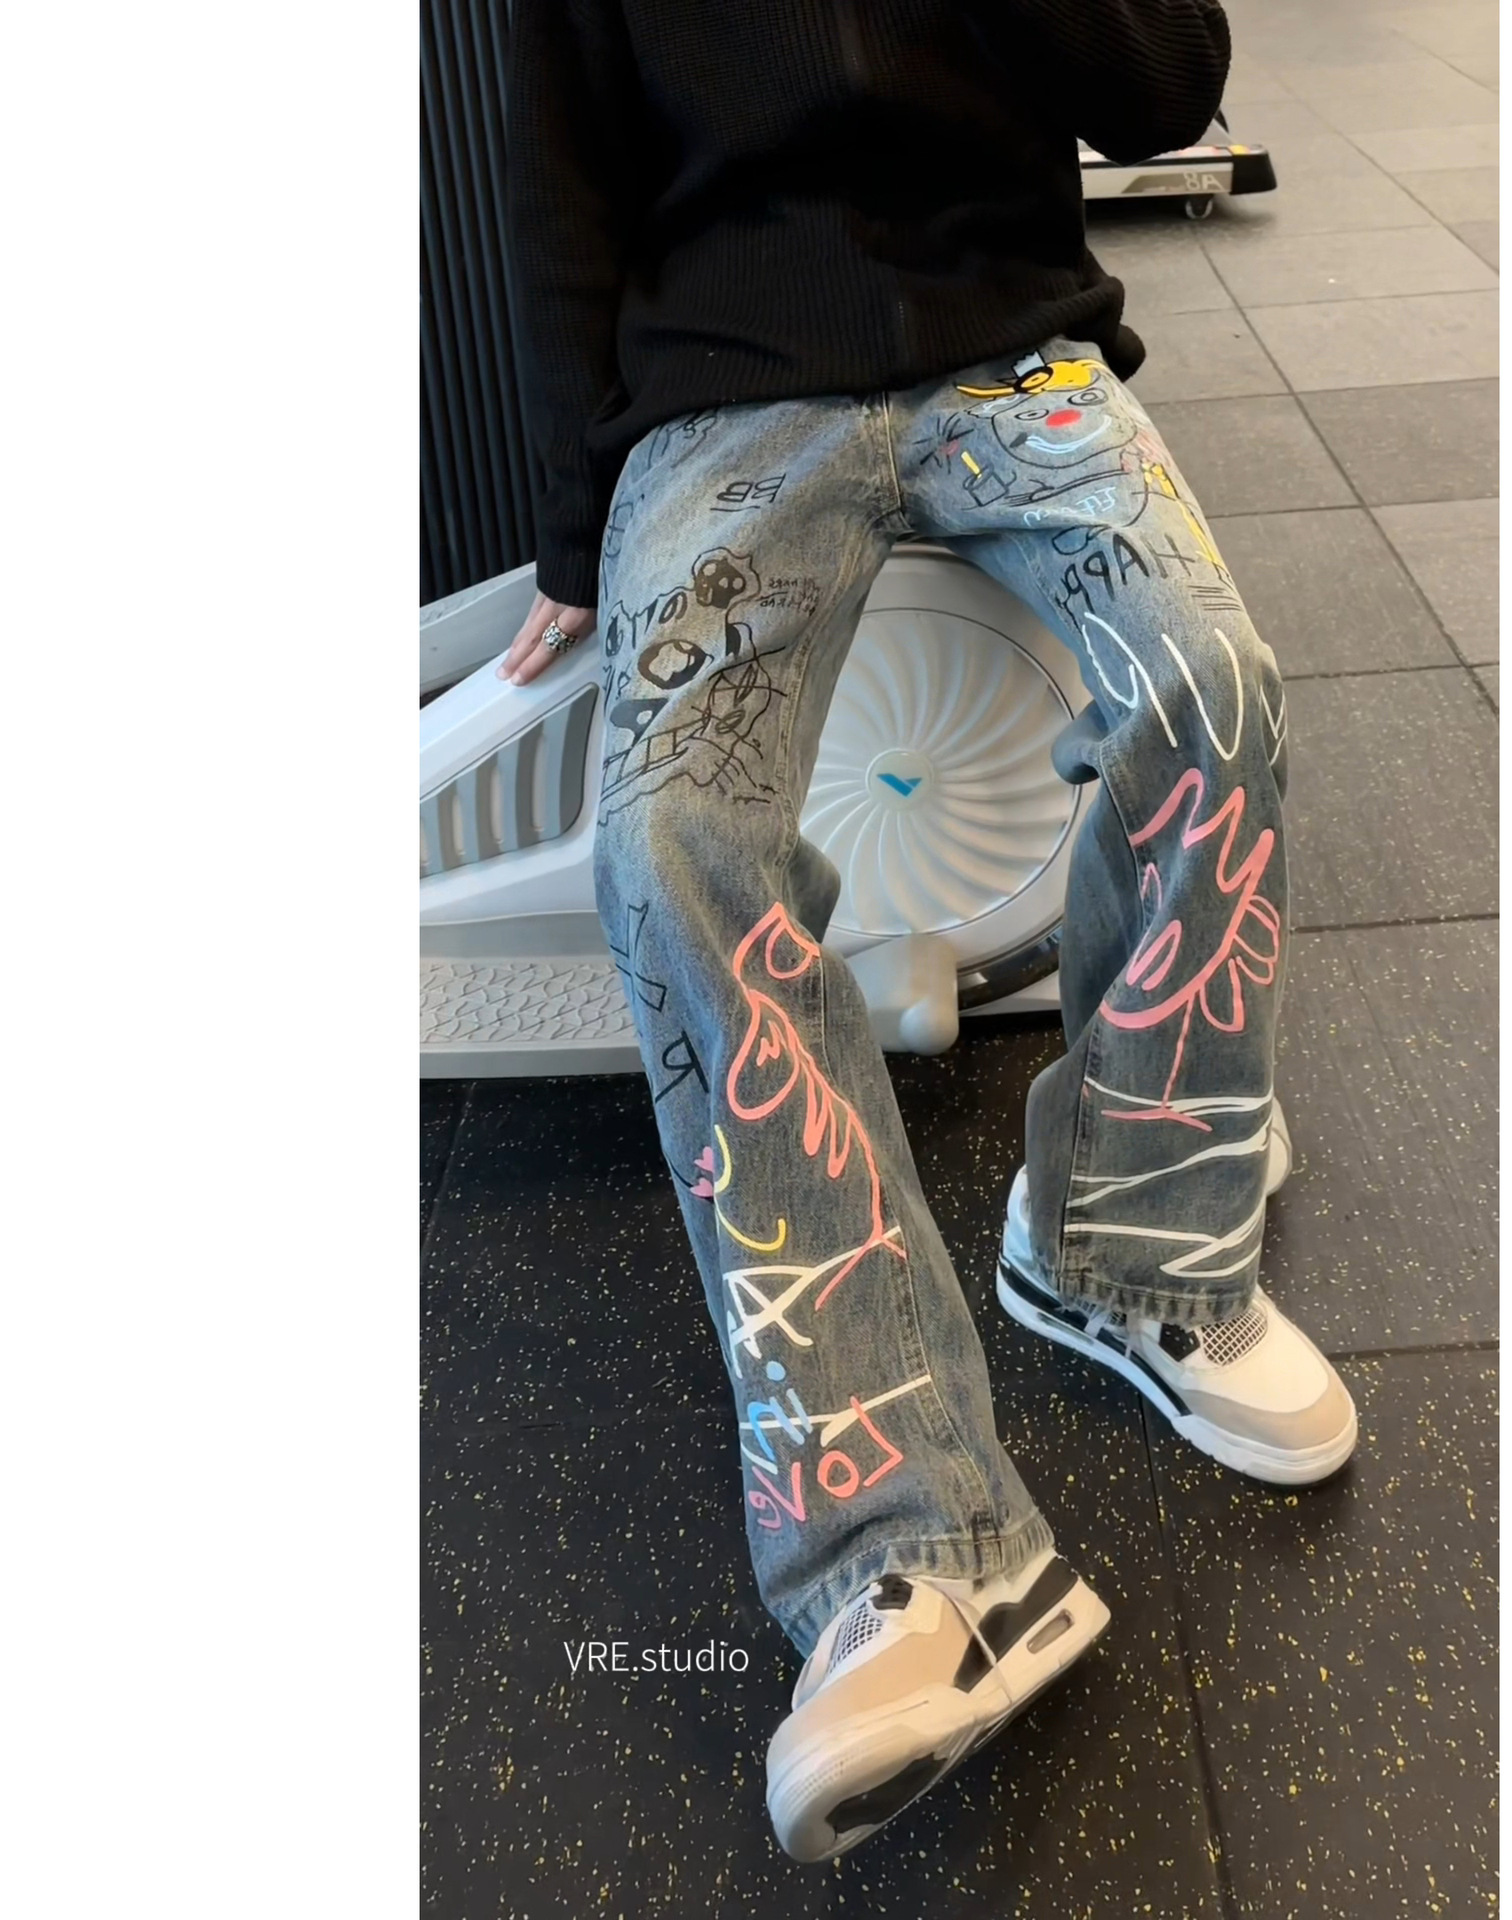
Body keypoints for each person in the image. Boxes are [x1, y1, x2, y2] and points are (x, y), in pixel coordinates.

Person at [502, 0, 1356, 1863]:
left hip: (1016, 358)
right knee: (669, 842)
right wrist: (573, 531)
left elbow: (1166, 90)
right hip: (725, 403)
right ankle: (901, 1546)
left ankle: (1130, 1247)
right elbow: (559, 195)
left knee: (1210, 689)